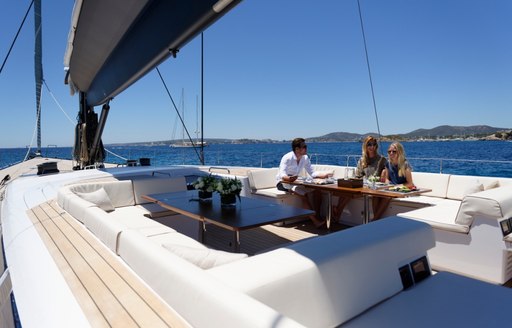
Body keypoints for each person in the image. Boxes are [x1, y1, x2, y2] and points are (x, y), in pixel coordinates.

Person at [276, 138, 332, 228]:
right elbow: (282, 174)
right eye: (304, 146)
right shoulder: (287, 157)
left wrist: (324, 175)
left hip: (296, 182)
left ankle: (316, 215)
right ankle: (315, 221)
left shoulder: (305, 158)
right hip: (283, 182)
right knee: (303, 194)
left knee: (317, 191)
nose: (306, 148)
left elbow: (312, 173)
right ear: (297, 149)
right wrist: (289, 178)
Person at [333, 136, 388, 220]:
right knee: (345, 191)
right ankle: (338, 213)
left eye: (374, 144)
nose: (372, 147)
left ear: (376, 146)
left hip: (375, 187)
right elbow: (358, 176)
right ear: (365, 146)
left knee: (353, 192)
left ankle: (337, 213)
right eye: (369, 144)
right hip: (363, 186)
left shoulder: (382, 160)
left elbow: (384, 176)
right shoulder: (362, 160)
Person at [373, 141, 414, 220]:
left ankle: (375, 219)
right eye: (389, 151)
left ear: (399, 152)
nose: (391, 153)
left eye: (394, 151)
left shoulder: (405, 165)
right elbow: (387, 178)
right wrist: (387, 185)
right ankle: (376, 219)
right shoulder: (388, 164)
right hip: (391, 189)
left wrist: (397, 186)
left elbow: (410, 183)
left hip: (401, 190)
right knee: (375, 195)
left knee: (387, 197)